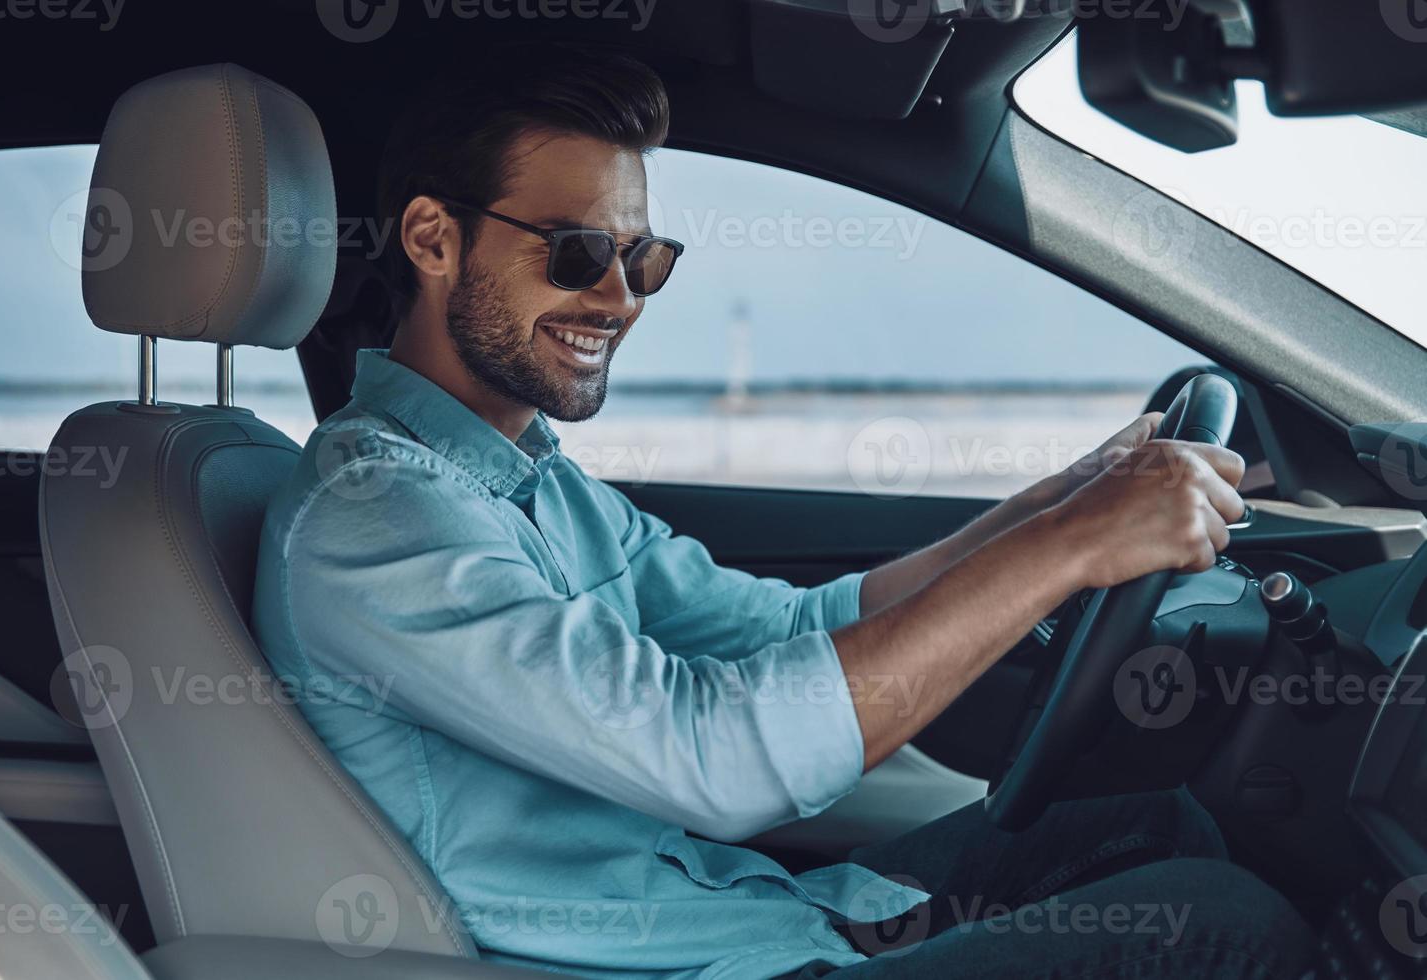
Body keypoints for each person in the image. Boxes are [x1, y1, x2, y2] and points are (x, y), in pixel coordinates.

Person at [251, 43, 1313, 979]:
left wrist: (1057, 501)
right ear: (434, 241)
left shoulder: (529, 476)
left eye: (643, 258)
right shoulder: (376, 517)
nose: (619, 297)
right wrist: (1068, 548)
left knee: (1151, 818)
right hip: (688, 964)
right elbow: (711, 761)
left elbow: (794, 628)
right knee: (1222, 928)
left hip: (743, 920)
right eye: (576, 252)